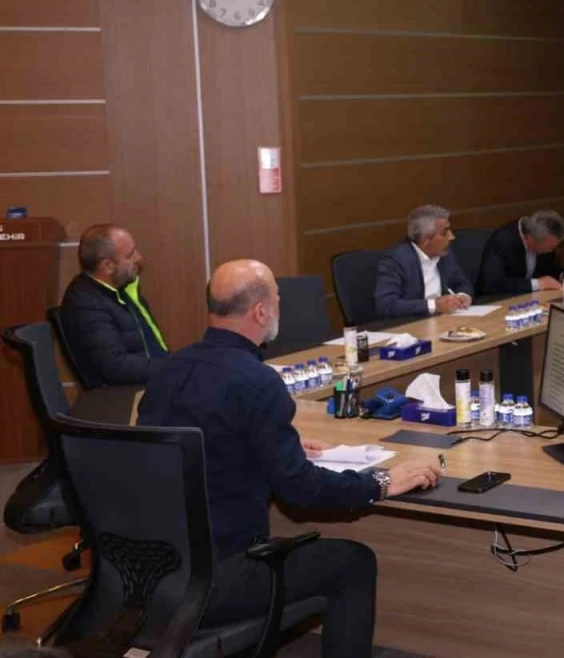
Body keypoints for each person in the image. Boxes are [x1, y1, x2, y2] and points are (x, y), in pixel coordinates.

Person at [138, 260, 441, 658]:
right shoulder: (257, 381)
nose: (280, 306)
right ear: (260, 312)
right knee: (354, 562)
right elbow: (302, 489)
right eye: (277, 299)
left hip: (146, 572)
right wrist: (383, 482)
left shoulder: (169, 368)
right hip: (216, 579)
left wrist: (274, 445)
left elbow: (198, 440)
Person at [58, 224, 168, 388]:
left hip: (153, 381)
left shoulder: (121, 290)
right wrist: (175, 366)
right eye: (130, 255)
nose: (139, 257)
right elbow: (116, 368)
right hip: (127, 393)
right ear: (108, 266)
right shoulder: (85, 304)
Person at [373, 205, 474, 320]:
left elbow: (462, 283)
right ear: (426, 240)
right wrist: (435, 305)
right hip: (411, 324)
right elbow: (386, 305)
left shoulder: (444, 253)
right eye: (444, 233)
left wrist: (463, 296)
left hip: (444, 320)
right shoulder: (396, 260)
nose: (451, 237)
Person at [475, 210, 564, 298]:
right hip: (499, 300)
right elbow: (492, 284)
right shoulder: (500, 242)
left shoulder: (543, 237)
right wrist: (538, 284)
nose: (551, 251)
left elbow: (552, 269)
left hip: (533, 299)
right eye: (550, 247)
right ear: (530, 239)